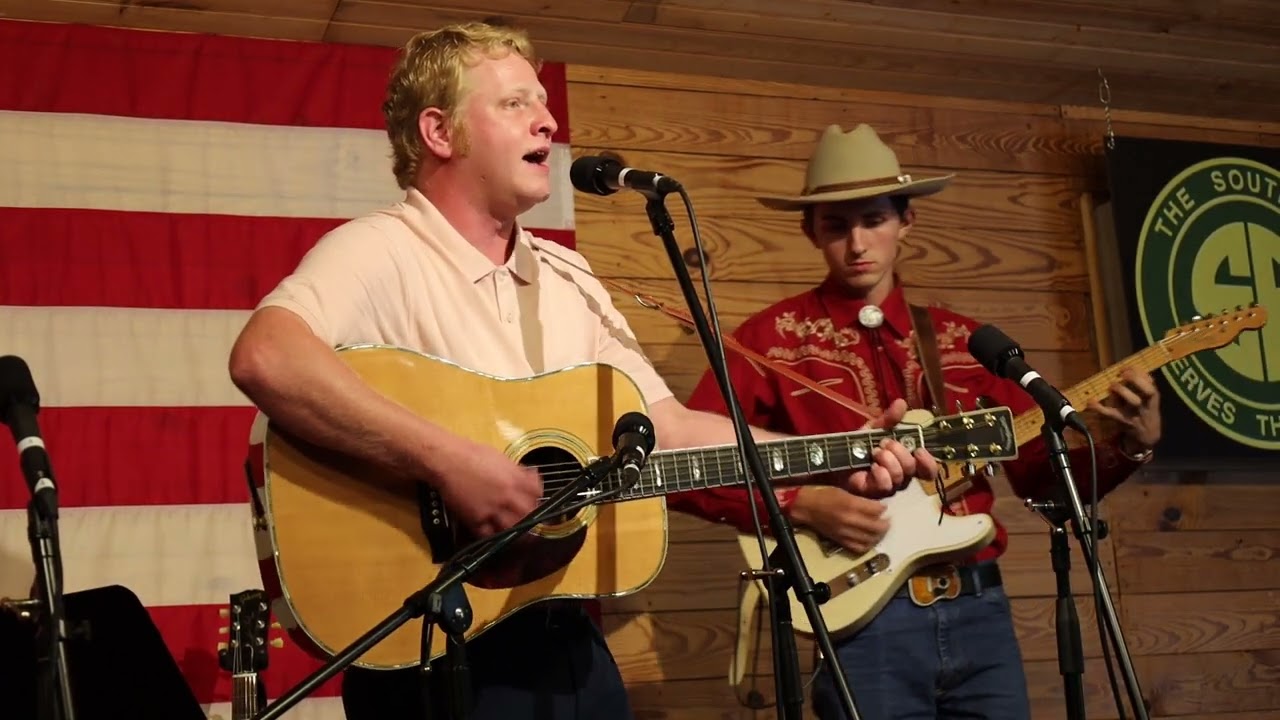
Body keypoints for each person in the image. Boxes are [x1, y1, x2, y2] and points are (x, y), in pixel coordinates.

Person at [226, 26, 938, 720]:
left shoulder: (567, 274)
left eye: (543, 102)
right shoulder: (380, 250)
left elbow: (668, 426)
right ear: (440, 132)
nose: (548, 120)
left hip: (564, 635)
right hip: (431, 646)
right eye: (515, 103)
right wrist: (449, 463)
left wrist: (833, 456)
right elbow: (267, 356)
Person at [666, 124, 1163, 719]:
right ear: (810, 230)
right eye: (836, 225)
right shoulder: (766, 342)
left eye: (874, 219)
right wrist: (801, 504)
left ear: (907, 221)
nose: (857, 243)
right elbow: (685, 469)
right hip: (861, 618)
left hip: (981, 609)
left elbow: (1041, 480)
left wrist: (1131, 447)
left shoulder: (968, 342)